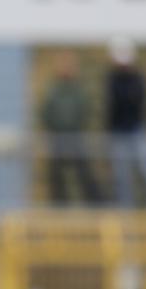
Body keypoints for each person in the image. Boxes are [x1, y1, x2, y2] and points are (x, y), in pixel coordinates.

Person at [40, 51, 101, 205]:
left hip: (75, 136)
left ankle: (94, 204)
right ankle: (58, 205)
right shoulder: (52, 90)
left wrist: (76, 128)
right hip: (57, 137)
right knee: (56, 175)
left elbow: (85, 111)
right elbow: (46, 112)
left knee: (83, 173)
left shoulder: (78, 90)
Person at [106, 38, 146, 207]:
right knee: (122, 178)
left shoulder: (138, 78)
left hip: (137, 130)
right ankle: (125, 212)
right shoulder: (113, 79)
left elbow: (138, 102)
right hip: (119, 132)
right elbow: (114, 106)